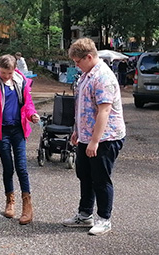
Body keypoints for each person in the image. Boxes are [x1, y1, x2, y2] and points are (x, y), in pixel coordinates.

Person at [62, 38, 126, 236]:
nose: (76, 65)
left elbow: (104, 111)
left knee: (100, 179)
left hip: (106, 138)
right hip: (86, 137)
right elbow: (83, 107)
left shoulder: (102, 77)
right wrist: (77, 131)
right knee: (85, 176)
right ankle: (84, 214)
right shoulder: (86, 75)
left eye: (78, 61)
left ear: (89, 57)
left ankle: (105, 219)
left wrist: (95, 141)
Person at [0, 54, 40, 225]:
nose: (6, 77)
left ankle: (27, 205)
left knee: (22, 167)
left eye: (9, 73)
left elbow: (28, 103)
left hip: (18, 129)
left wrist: (31, 114)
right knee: (8, 167)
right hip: (0, 131)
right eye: (3, 73)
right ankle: (9, 201)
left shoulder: (21, 81)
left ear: (14, 70)